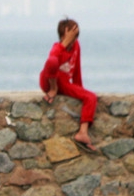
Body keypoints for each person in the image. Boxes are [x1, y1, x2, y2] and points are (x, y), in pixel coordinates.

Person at [39, 18, 98, 152]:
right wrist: (65, 42)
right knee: (52, 61)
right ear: (62, 36)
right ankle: (53, 89)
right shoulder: (57, 47)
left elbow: (76, 71)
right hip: (49, 81)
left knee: (91, 97)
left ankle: (83, 133)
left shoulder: (76, 46)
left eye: (75, 35)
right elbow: (51, 59)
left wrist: (80, 91)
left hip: (64, 83)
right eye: (71, 35)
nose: (73, 39)